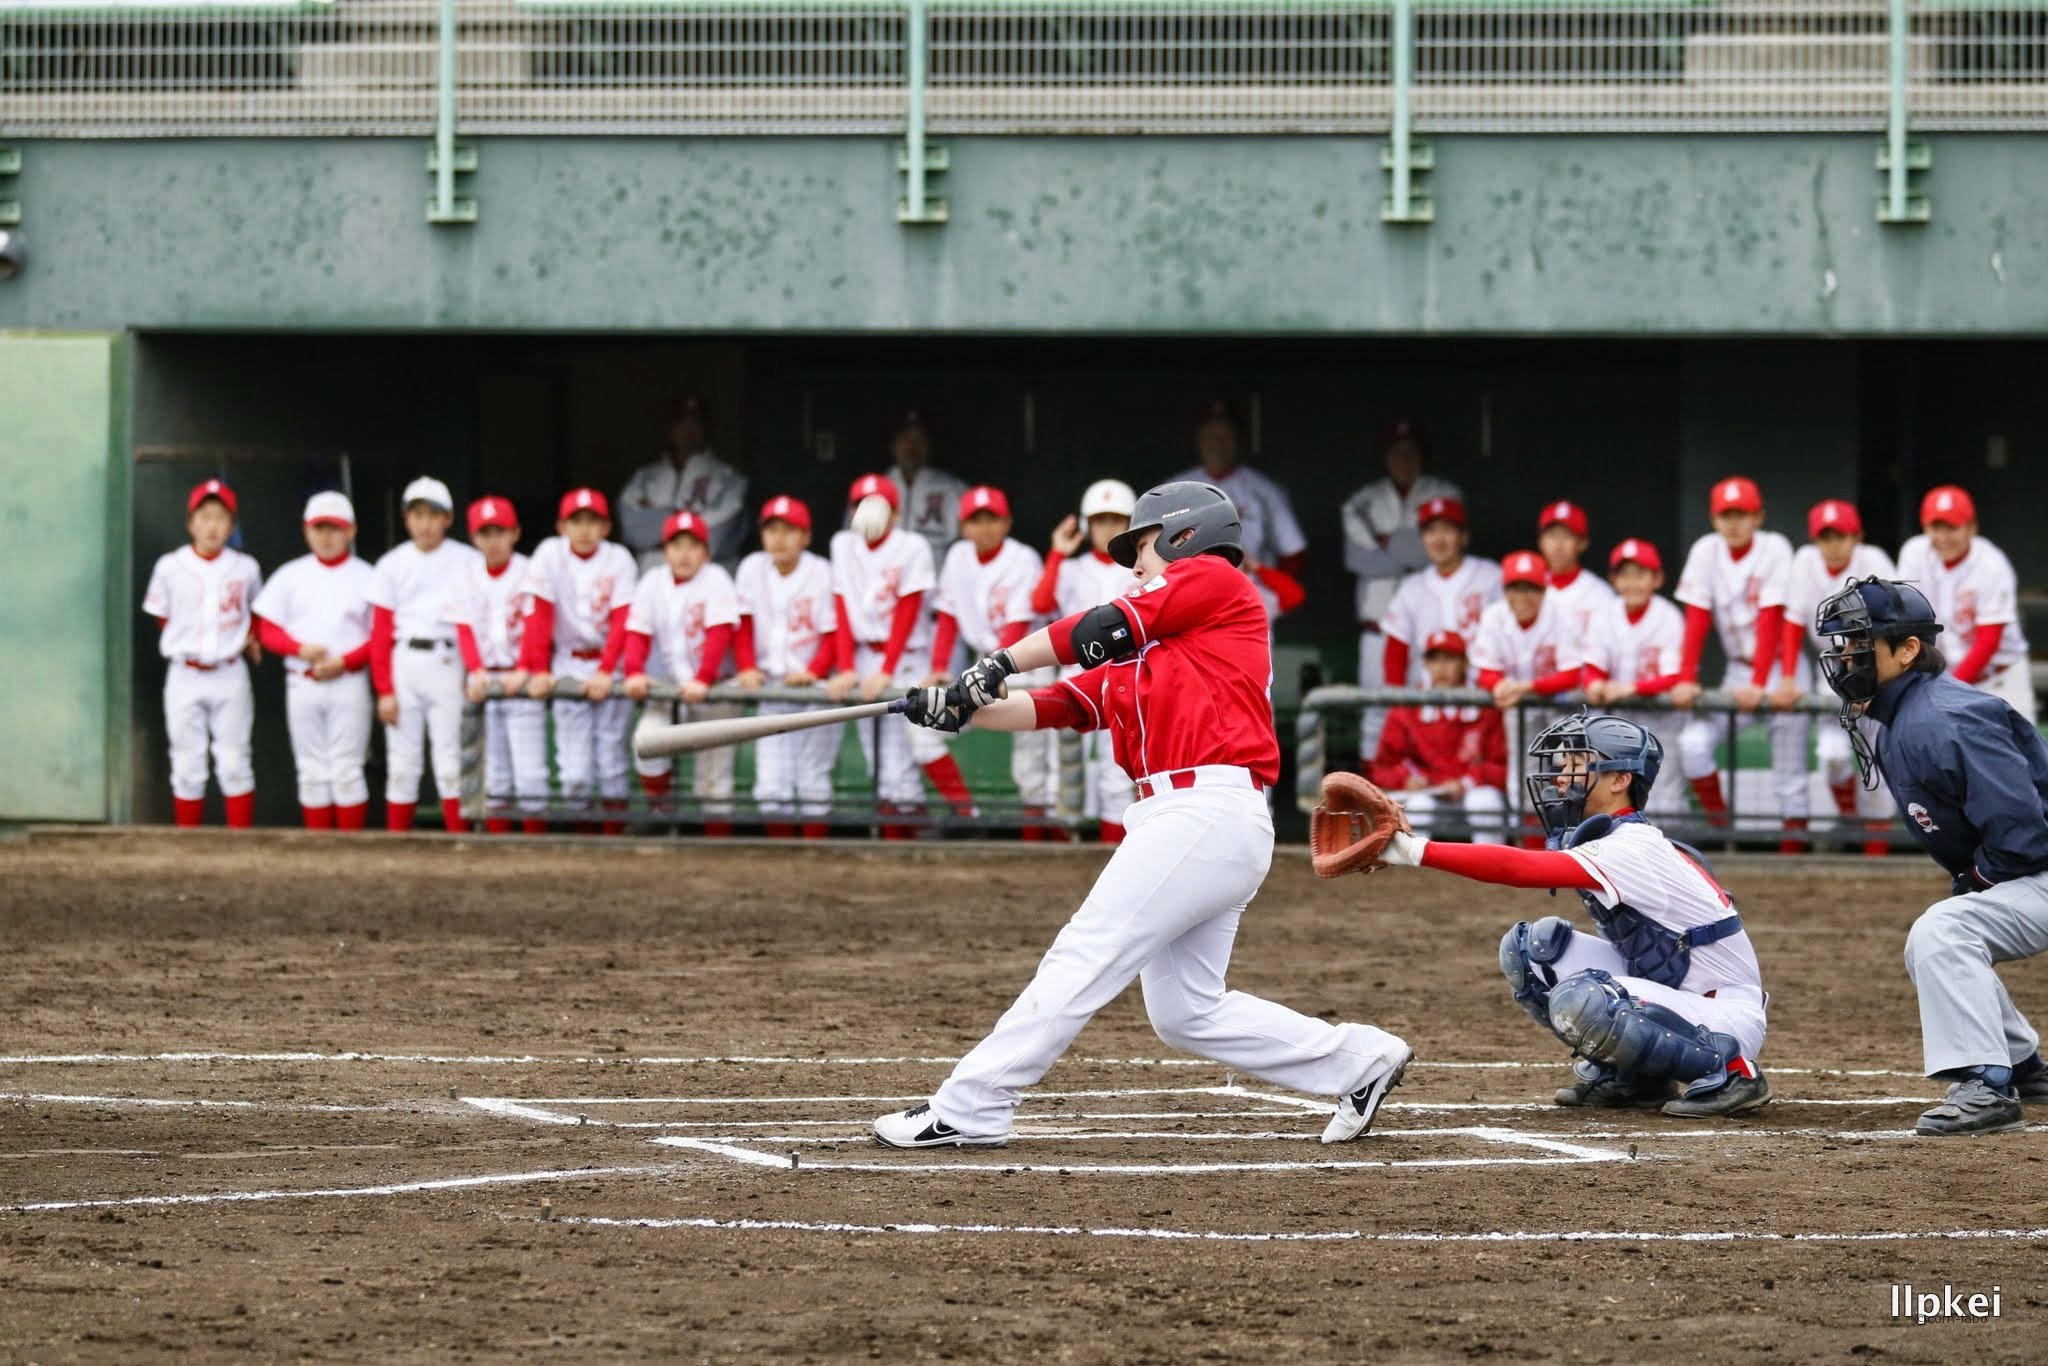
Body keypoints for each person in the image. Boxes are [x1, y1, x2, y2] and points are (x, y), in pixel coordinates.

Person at [875, 481, 1413, 1149]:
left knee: (1087, 948)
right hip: (1195, 823)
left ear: (1186, 535)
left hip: (1204, 811)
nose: (1134, 564)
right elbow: (1057, 704)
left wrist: (999, 661)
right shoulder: (1158, 654)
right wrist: (955, 707)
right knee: (1187, 1011)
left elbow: (1095, 628)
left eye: (1143, 545)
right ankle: (1361, 1060)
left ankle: (971, 1106)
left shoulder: (1215, 582)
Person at [1374, 710, 1773, 1118]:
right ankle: (1638, 1078)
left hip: (1722, 1016)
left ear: (1620, 780)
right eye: (1564, 766)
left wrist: (1413, 850)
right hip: (1677, 993)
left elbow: (1519, 869)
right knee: (1533, 950)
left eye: (1578, 765)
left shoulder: (1632, 845)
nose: (1562, 777)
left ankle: (1732, 1072)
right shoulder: (1613, 836)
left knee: (1587, 998)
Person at [1814, 576, 2048, 1136]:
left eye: (1857, 644)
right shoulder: (1906, 714)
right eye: (1841, 645)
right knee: (1944, 935)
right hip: (2036, 870)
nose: (1845, 658)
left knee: (1943, 931)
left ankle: (1985, 1085)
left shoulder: (1942, 716)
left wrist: (1981, 879)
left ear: (1908, 649)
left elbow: (2023, 832)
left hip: (2040, 863)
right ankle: (2023, 1068)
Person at [825, 473, 972, 837]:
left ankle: (969, 815)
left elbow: (908, 610)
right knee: (883, 760)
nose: (871, 511)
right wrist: (845, 666)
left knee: (921, 740)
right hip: (863, 654)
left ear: (896, 512)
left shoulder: (912, 545)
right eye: (862, 502)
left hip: (907, 656)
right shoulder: (843, 544)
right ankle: (904, 835)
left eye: (880, 505)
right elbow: (841, 606)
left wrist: (888, 669)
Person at [1671, 476, 1805, 848]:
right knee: (1693, 745)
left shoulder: (1774, 547)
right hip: (1738, 668)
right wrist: (1686, 676)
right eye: (1726, 514)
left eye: (1741, 514)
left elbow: (1772, 617)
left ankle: (1793, 856)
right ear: (1714, 519)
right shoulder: (1705, 550)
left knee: (1789, 774)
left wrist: (1761, 682)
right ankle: (1721, 829)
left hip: (1780, 670)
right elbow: (1696, 617)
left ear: (1758, 516)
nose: (1733, 523)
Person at [929, 486, 1054, 837]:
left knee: (1031, 770)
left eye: (992, 519)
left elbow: (1018, 624)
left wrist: (993, 669)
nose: (984, 527)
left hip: (1027, 665)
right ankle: (967, 814)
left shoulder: (1022, 557)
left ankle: (1038, 848)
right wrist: (940, 664)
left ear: (1007, 522)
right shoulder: (957, 556)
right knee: (923, 729)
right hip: (980, 667)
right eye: (975, 520)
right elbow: (948, 616)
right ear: (963, 525)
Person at [251, 491, 376, 831]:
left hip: (348, 681)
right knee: (311, 770)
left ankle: (350, 851)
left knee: (347, 769)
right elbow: (266, 628)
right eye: (319, 528)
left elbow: (379, 637)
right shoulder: (291, 575)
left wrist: (346, 662)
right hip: (303, 678)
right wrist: (298, 648)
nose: (326, 536)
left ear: (350, 531)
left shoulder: (367, 575)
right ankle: (319, 849)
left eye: (334, 528)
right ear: (306, 531)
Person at [143, 478, 263, 828]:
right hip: (185, 672)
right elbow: (162, 615)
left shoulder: (246, 567)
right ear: (191, 522)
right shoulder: (170, 565)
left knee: (235, 762)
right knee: (186, 764)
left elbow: (257, 612)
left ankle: (240, 847)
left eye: (221, 517)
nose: (212, 525)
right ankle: (187, 848)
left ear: (231, 525)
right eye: (205, 516)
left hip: (229, 670)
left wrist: (250, 638)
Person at [1780, 499, 1897, 855]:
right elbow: (1793, 621)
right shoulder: (1804, 561)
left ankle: (1876, 855)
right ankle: (1850, 820)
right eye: (1825, 536)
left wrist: (1877, 679)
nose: (1833, 544)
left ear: (1856, 536)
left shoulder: (1875, 561)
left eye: (1841, 535)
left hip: (1877, 667)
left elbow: (1892, 622)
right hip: (1832, 666)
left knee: (1877, 763)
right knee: (1831, 756)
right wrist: (1787, 676)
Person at [520, 487, 639, 833]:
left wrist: (605, 671)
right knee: (574, 772)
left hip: (610, 663)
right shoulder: (548, 554)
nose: (585, 529)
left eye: (593, 521)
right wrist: (539, 669)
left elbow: (623, 621)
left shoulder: (619, 558)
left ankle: (616, 842)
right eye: (577, 521)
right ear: (562, 526)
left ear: (606, 527)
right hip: (568, 662)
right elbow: (538, 616)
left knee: (612, 763)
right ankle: (585, 850)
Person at [368, 476, 482, 834]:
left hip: (449, 658)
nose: (425, 523)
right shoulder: (391, 563)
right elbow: (381, 631)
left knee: (450, 760)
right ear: (406, 519)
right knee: (403, 762)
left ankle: (458, 842)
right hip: (406, 660)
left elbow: (477, 620)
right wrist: (384, 689)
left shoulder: (467, 559)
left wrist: (472, 670)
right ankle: (397, 844)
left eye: (433, 514)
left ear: (447, 519)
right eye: (417, 514)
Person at [620, 510, 742, 836]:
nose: (684, 553)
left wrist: (704, 678)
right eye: (677, 545)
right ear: (665, 551)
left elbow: (720, 633)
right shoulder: (652, 581)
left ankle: (717, 843)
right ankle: (662, 814)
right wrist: (633, 670)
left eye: (693, 545)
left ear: (706, 552)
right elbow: (637, 632)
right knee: (647, 742)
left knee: (713, 777)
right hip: (673, 688)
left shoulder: (716, 577)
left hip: (716, 688)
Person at [1032, 478, 1140, 844]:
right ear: (1086, 523)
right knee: (1057, 777)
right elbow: (1041, 604)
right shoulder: (1070, 568)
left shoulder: (1142, 567)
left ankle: (1112, 855)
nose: (1107, 527)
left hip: (1123, 676)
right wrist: (1057, 553)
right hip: (1075, 676)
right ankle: (1058, 862)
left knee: (1116, 778)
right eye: (1099, 520)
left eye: (1116, 519)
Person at [734, 495, 841, 839]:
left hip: (815, 686)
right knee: (771, 785)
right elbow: (743, 624)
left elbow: (833, 631)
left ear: (806, 536)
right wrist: (747, 665)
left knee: (812, 777)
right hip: (772, 685)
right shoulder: (752, 567)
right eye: (772, 529)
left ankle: (815, 853)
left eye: (789, 529)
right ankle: (779, 865)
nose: (779, 537)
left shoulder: (821, 571)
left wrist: (816, 670)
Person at [1342, 420, 1461, 705]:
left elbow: (1436, 553)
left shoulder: (1445, 493)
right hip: (1377, 630)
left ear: (1423, 456)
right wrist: (1409, 549)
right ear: (1386, 457)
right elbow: (1356, 559)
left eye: (1411, 452)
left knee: (1432, 715)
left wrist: (1384, 543)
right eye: (1397, 452)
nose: (1403, 460)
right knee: (1376, 716)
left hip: (1432, 640)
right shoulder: (1362, 501)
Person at [1896, 485, 2036, 724]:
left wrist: (1947, 689)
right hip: (1944, 676)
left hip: (1999, 681)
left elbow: (1988, 641)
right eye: (1936, 527)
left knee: (2017, 759)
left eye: (1952, 527)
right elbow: (1907, 623)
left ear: (1972, 527)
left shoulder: (1991, 563)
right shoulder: (1914, 554)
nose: (1943, 537)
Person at [450, 495, 548, 835]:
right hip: (486, 677)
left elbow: (537, 625)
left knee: (531, 773)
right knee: (495, 773)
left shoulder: (530, 570)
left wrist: (525, 667)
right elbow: (463, 627)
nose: (493, 541)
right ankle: (499, 849)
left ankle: (537, 846)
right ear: (474, 537)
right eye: (485, 533)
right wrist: (475, 669)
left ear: (515, 533)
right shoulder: (466, 575)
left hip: (521, 676)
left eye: (500, 532)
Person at [1367, 630, 1509, 844]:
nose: (1441, 667)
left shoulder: (1485, 704)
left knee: (1485, 802)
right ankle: (1411, 876)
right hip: (1429, 793)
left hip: (1470, 791)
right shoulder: (1409, 705)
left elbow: (1501, 766)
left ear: (1464, 663)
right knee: (1418, 805)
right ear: (1425, 664)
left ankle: (1490, 870)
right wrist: (1406, 780)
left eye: (1450, 659)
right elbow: (1382, 767)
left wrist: (1468, 782)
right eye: (1434, 659)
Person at [1581, 538, 1686, 817]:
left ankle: (1668, 857)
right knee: (1616, 794)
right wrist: (1593, 683)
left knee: (1664, 796)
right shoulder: (1605, 614)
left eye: (1640, 575)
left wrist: (1631, 688)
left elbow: (1674, 676)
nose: (1632, 583)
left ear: (1657, 578)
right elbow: (1592, 666)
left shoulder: (1668, 616)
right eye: (1625, 575)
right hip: (1618, 724)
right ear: (1614, 580)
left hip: (1660, 720)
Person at [1171, 398, 1308, 591]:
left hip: (1250, 592)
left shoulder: (1265, 490)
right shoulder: (1172, 489)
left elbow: (1293, 552)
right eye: (1210, 436)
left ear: (1238, 441)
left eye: (1225, 436)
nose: (1217, 444)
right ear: (1199, 439)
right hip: (1190, 594)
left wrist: (1272, 596)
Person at [618, 395, 749, 570]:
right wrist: (690, 517)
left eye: (695, 423)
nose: (688, 430)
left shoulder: (729, 478)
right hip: (653, 576)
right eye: (681, 423)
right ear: (669, 430)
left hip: (710, 580)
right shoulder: (644, 477)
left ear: (706, 429)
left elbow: (718, 537)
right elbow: (634, 531)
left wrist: (657, 517)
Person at [1382, 496, 1500, 689]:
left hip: (1483, 693)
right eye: (1431, 531)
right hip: (1427, 697)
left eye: (1447, 530)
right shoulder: (1411, 588)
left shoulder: (1491, 577)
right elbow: (1396, 649)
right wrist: (1397, 702)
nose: (1439, 539)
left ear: (1464, 536)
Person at [882, 409, 968, 563]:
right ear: (893, 445)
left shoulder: (953, 488)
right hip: (884, 582)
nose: (912, 446)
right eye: (905, 438)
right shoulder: (873, 490)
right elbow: (853, 544)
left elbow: (972, 543)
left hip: (935, 582)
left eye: (919, 439)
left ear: (929, 446)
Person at [1536, 499, 1615, 654]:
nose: (1558, 545)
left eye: (1567, 536)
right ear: (1541, 541)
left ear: (1583, 543)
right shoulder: (1524, 589)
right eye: (1552, 536)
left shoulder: (1601, 593)